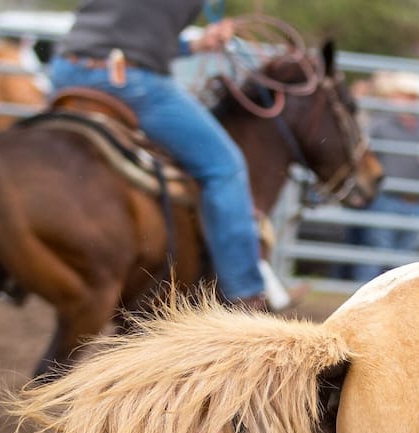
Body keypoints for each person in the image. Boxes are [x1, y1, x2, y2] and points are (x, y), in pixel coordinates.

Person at [50, 0, 270, 309]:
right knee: (224, 166)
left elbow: (133, 31)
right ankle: (246, 294)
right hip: (129, 81)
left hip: (66, 70)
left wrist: (195, 45)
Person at [342, 73, 419, 282]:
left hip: (417, 201)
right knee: (377, 252)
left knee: (405, 259)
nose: (408, 101)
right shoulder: (381, 124)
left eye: (412, 97)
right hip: (387, 198)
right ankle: (362, 298)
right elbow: (364, 155)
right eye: (403, 96)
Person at [0, 36, 46, 130]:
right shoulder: (10, 60)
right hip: (12, 123)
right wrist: (44, 110)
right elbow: (20, 94)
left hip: (2, 120)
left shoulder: (1, 55)